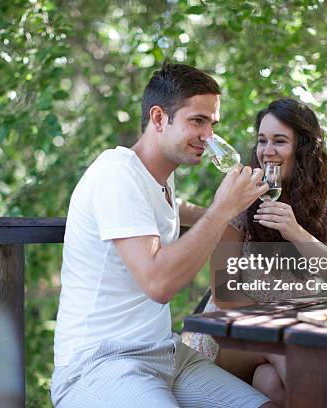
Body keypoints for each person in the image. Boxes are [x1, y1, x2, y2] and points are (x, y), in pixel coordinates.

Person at [50, 63, 277, 407]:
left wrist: (219, 215)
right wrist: (221, 210)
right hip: (100, 363)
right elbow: (158, 284)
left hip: (165, 353)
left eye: (212, 124)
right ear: (158, 118)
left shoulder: (156, 177)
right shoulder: (116, 173)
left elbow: (169, 206)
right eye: (197, 121)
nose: (209, 137)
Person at [184, 98, 327, 407]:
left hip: (295, 335)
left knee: (271, 384)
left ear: (303, 148)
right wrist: (284, 324)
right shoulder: (241, 195)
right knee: (294, 354)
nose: (267, 151)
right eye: (262, 140)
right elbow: (225, 293)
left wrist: (296, 232)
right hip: (233, 334)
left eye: (279, 141)